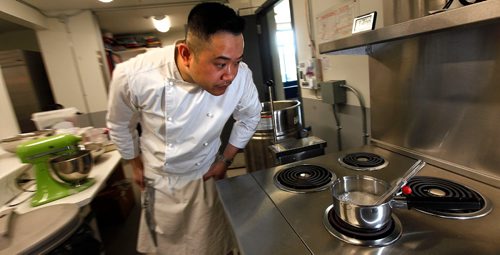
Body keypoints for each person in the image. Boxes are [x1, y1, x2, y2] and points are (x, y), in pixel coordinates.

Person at [106, 2, 262, 255]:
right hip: (161, 181)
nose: (230, 75)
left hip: (205, 174)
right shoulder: (133, 76)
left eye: (237, 62)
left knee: (212, 245)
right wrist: (135, 164)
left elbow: (250, 116)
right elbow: (120, 125)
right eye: (220, 64)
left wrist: (225, 160)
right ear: (186, 54)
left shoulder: (241, 76)